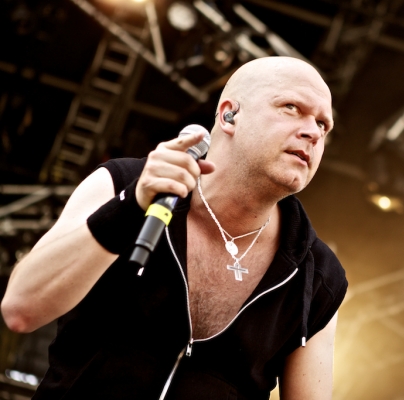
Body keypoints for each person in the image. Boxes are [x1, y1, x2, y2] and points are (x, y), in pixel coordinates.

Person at [1, 56, 347, 399]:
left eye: (323, 124)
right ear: (230, 115)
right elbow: (21, 310)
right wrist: (131, 205)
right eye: (291, 108)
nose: (313, 133)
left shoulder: (317, 275)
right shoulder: (122, 183)